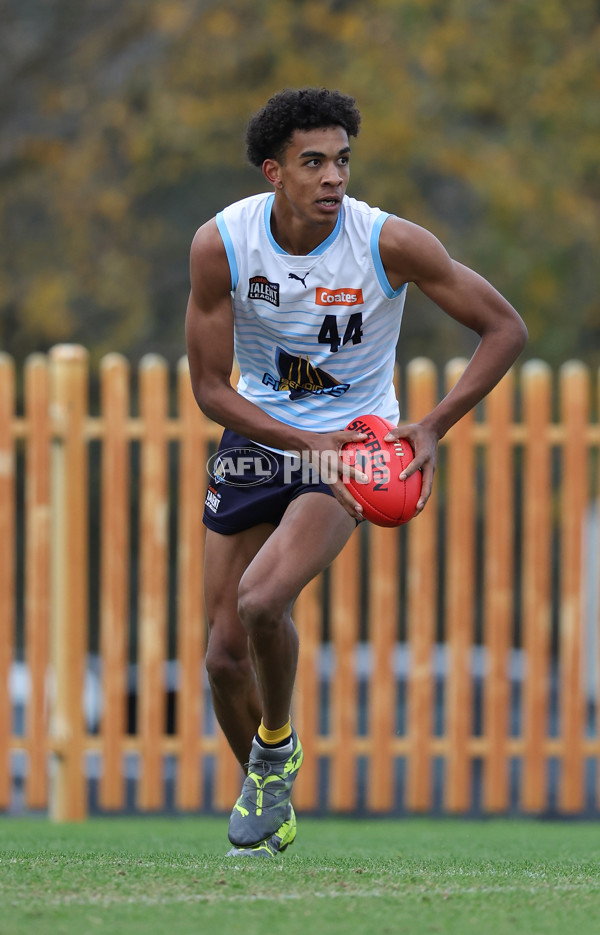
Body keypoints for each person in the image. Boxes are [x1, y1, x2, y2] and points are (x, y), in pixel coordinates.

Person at [185, 87, 527, 857]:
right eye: (313, 162)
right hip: (259, 438)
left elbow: (505, 327)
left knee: (264, 599)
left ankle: (275, 747)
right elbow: (210, 388)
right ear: (275, 172)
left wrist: (432, 425)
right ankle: (268, 784)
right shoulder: (224, 244)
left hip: (355, 449)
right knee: (222, 653)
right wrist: (299, 441)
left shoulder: (388, 243)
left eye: (342, 160)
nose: (333, 177)